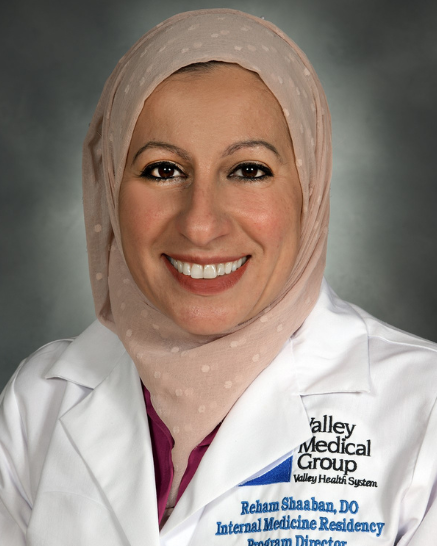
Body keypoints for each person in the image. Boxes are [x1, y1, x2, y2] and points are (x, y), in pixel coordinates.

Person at [0, 8, 436, 546]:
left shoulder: (423, 408)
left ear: (310, 189)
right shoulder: (40, 402)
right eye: (163, 170)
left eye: (249, 170)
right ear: (110, 184)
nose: (200, 225)